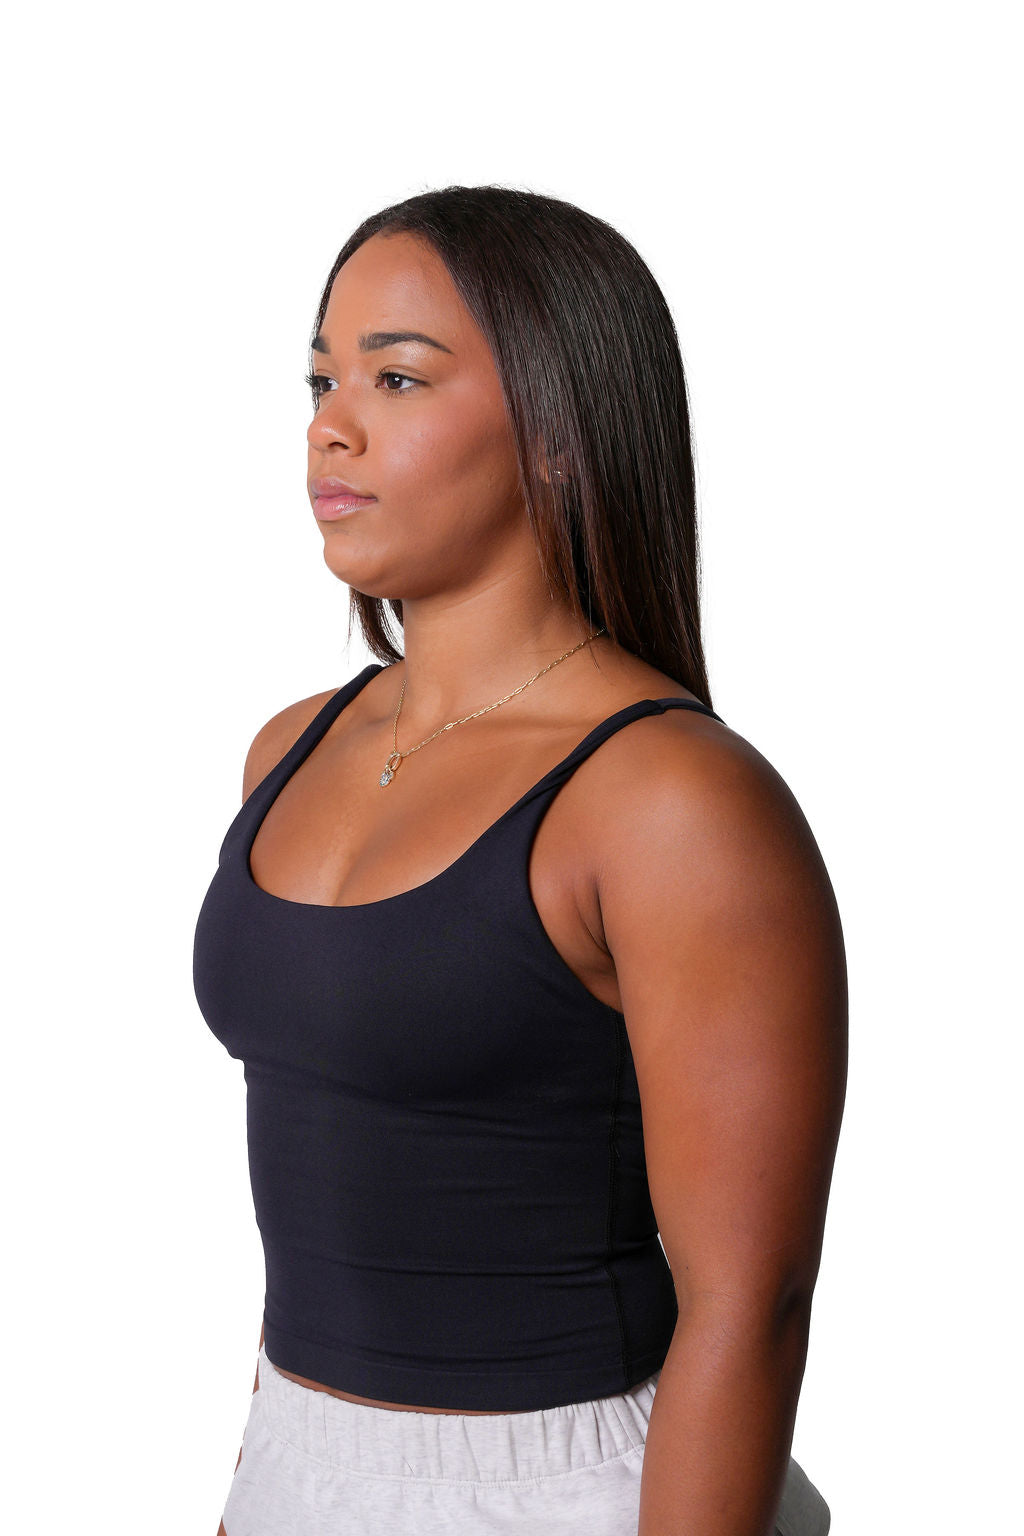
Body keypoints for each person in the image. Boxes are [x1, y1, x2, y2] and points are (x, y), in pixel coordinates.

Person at [193, 184, 846, 1536]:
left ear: (555, 432)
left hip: (573, 1490)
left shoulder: (669, 802)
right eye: (322, 378)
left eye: (397, 378)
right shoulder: (288, 752)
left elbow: (751, 1301)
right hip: (296, 1466)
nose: (331, 424)